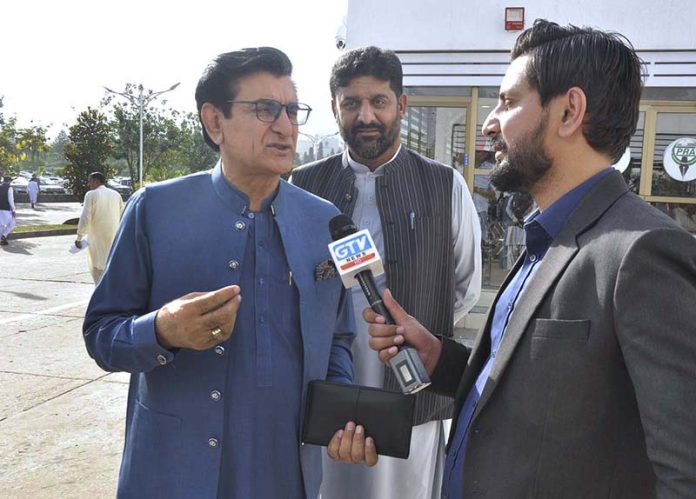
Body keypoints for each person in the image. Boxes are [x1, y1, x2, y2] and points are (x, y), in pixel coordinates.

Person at [334, 19, 696, 497]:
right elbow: (530, 386)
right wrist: (439, 357)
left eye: (507, 102)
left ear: (569, 112)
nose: (488, 123)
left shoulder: (641, 252)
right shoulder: (546, 238)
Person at [82, 47, 355, 499]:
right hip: (173, 469)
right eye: (266, 109)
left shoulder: (327, 222)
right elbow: (100, 333)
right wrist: (161, 330)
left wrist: (338, 408)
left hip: (285, 473)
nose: (286, 127)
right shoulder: (155, 211)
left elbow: (339, 338)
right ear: (214, 122)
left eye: (291, 110)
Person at [292, 46, 481, 499]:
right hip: (325, 391)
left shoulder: (443, 185)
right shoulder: (303, 186)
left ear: (402, 104)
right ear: (335, 105)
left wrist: (411, 323)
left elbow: (465, 286)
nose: (366, 116)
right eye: (352, 103)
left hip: (411, 394)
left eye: (378, 101)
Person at [75, 172, 124, 284]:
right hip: (113, 238)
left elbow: (85, 217)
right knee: (111, 267)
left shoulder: (91, 194)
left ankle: (101, 296)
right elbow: (123, 216)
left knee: (97, 269)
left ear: (96, 181)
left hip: (96, 239)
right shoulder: (116, 194)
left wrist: (79, 236)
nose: (88, 184)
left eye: (90, 181)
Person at [0, 176, 16, 246]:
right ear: (9, 181)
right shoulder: (9, 188)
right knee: (12, 223)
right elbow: (11, 200)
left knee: (1, 225)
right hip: (6, 209)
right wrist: (13, 210)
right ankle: (3, 236)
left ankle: (3, 237)